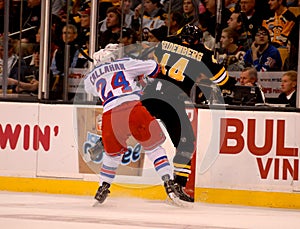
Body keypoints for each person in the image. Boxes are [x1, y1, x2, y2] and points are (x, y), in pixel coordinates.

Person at [141, 24, 234, 202]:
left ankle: (103, 142)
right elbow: (222, 79)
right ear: (198, 40)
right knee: (186, 144)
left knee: (130, 123)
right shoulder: (203, 52)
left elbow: (155, 61)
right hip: (172, 100)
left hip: (150, 94)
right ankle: (178, 185)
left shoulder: (167, 41)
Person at [84, 43, 183, 206]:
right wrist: (138, 76)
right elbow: (154, 68)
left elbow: (93, 88)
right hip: (133, 108)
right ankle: (169, 183)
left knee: (112, 156)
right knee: (154, 148)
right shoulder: (126, 63)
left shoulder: (91, 78)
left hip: (110, 115)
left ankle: (103, 187)